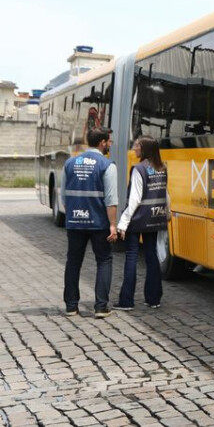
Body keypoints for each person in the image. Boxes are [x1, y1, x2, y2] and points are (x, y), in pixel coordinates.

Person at [61, 127, 118, 318]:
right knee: (104, 260)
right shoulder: (107, 165)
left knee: (73, 262)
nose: (110, 144)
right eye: (109, 141)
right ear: (102, 142)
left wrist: (73, 215)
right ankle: (101, 307)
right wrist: (112, 225)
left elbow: (64, 196)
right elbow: (111, 200)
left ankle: (71, 306)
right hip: (98, 223)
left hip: (74, 221)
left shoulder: (69, 163)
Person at [115, 137, 171, 310]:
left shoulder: (139, 169)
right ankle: (153, 298)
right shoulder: (162, 168)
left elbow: (134, 199)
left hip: (138, 219)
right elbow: (166, 193)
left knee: (131, 256)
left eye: (137, 145)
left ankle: (126, 301)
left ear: (145, 149)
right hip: (154, 218)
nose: (134, 148)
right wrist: (167, 213)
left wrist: (123, 223)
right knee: (152, 256)